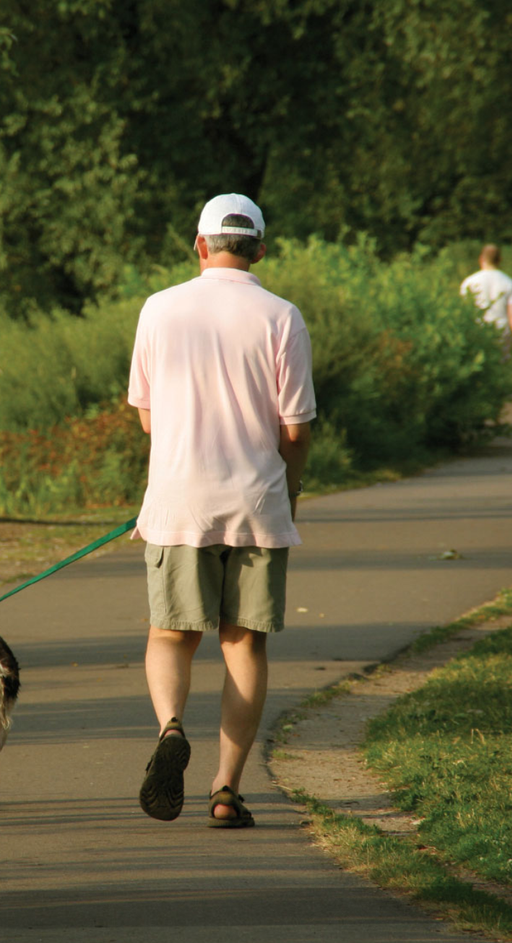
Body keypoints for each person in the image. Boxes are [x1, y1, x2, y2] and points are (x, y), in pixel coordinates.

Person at [127, 193, 316, 829]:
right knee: (243, 644)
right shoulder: (282, 316)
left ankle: (171, 726)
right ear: (261, 248)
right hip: (257, 502)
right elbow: (296, 429)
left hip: (179, 500)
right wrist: (290, 492)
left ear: (200, 245)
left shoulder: (159, 309)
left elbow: (148, 417)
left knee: (169, 634)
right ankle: (226, 789)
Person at [459, 244, 512, 360]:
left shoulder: (469, 282)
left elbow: (464, 312)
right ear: (499, 260)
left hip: (477, 329)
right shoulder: (509, 282)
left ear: (481, 259)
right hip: (500, 329)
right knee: (500, 365)